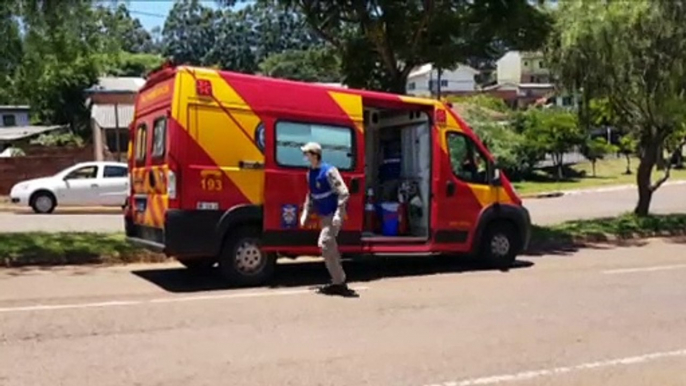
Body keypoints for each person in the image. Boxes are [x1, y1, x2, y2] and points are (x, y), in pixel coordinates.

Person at [299, 142, 353, 296]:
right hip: (324, 216)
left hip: (333, 215)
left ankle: (339, 281)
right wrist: (305, 213)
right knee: (330, 248)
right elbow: (311, 195)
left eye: (307, 153)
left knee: (325, 243)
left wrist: (338, 214)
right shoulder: (310, 173)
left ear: (315, 155)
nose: (305, 157)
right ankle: (338, 282)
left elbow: (344, 193)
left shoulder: (329, 171)